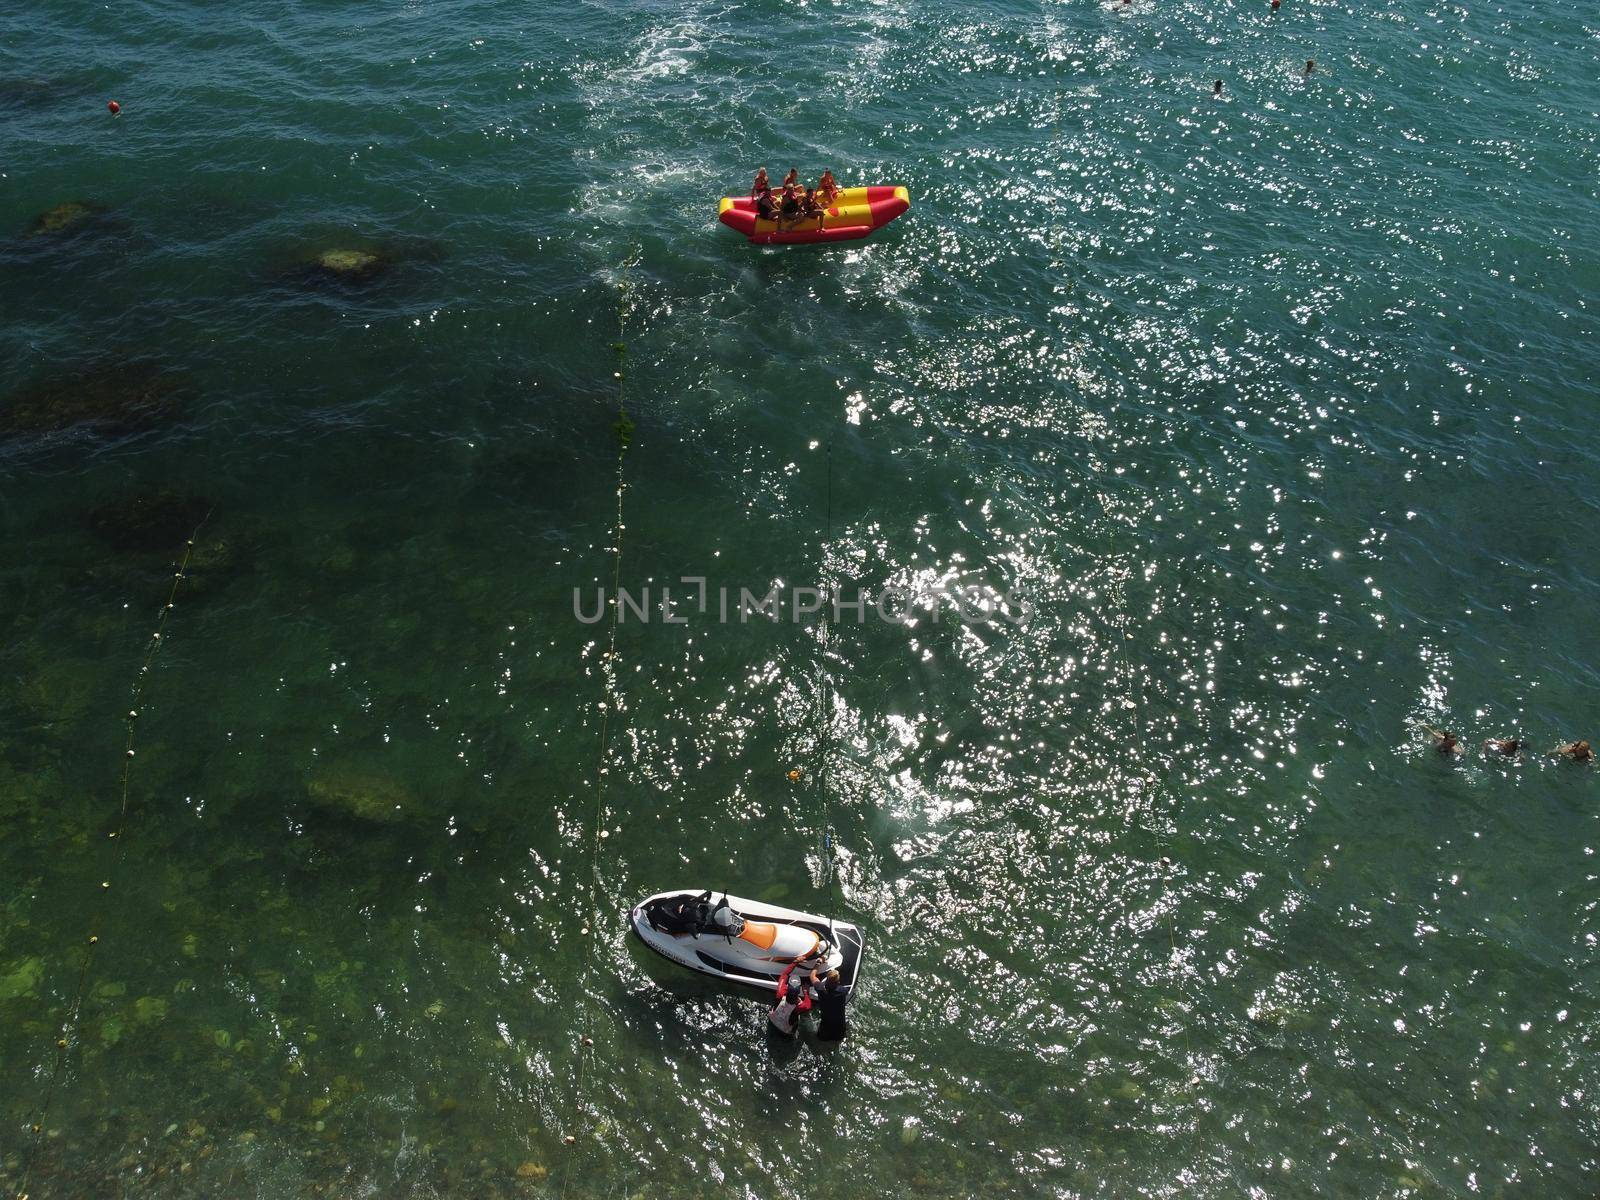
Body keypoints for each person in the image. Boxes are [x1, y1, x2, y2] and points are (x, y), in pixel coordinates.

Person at [769, 963, 811, 1035]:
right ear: (798, 991)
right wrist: (806, 992)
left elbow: (784, 974)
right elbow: (808, 1004)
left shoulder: (780, 993)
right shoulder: (802, 1006)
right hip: (785, 1032)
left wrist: (795, 962)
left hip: (772, 1021)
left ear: (787, 988)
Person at [809, 968, 848, 1044]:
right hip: (839, 1030)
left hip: (824, 1030)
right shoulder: (843, 991)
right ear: (838, 982)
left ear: (826, 980)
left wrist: (818, 963)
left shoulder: (820, 989)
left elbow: (812, 976)